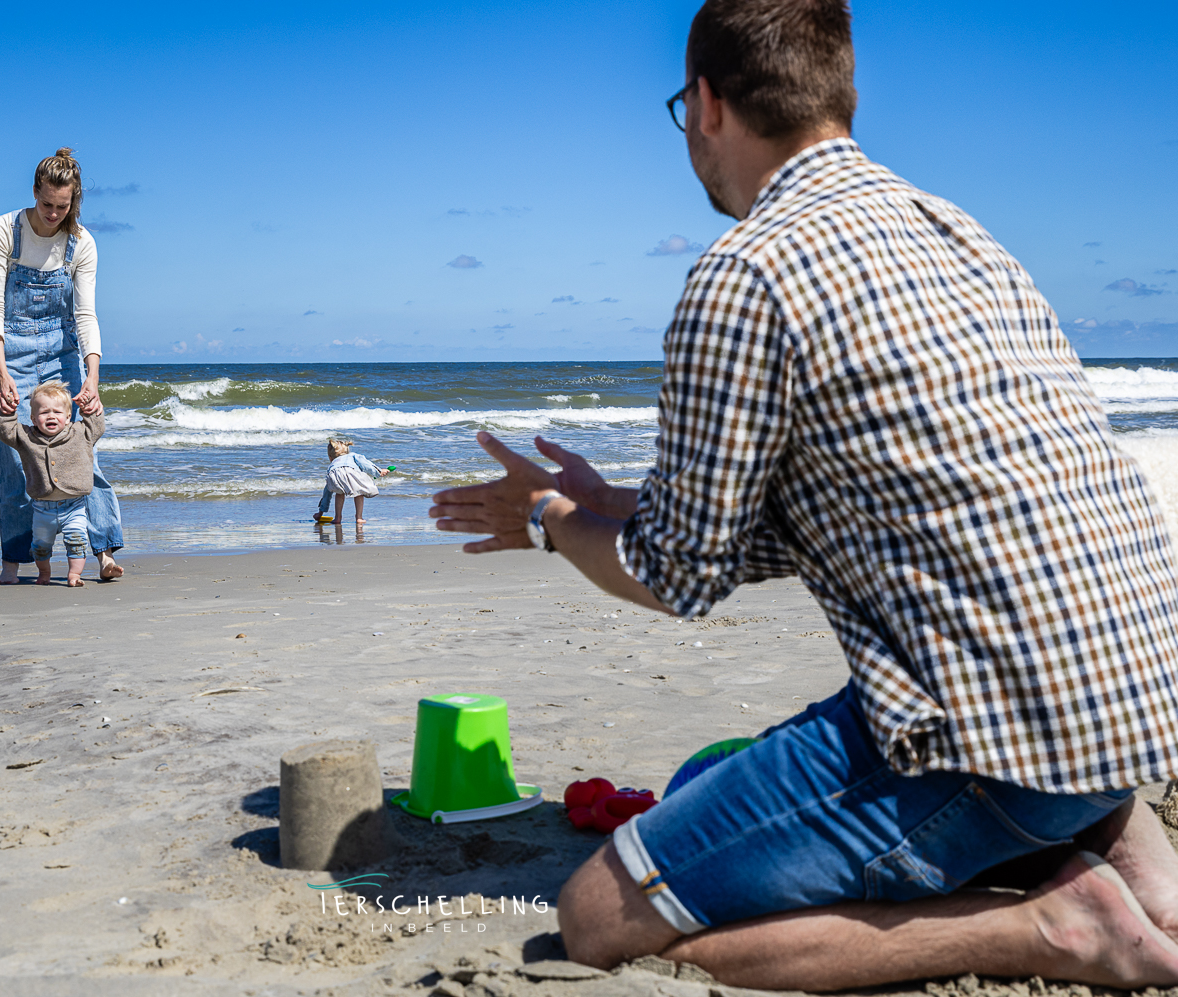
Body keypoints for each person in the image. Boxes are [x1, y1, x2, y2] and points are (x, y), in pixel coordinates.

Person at [427, 0, 1178, 989]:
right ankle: (1126, 856)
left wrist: (548, 520)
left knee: (596, 917)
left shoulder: (748, 270)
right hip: (1133, 707)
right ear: (838, 93)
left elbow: (675, 580)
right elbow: (852, 509)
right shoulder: (954, 230)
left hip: (992, 741)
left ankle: (1053, 926)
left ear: (705, 103)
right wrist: (608, 502)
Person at [0, 148, 124, 585]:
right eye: (47, 205)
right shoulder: (4, 230)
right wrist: (3, 373)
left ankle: (103, 554)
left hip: (63, 354)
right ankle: (15, 562)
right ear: (35, 193)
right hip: (12, 353)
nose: (53, 214)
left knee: (82, 455)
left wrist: (93, 376)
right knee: (14, 460)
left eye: (63, 207)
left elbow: (85, 315)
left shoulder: (82, 242)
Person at [0, 381, 104, 588]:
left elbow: (97, 426)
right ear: (34, 418)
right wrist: (7, 413)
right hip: (42, 508)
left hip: (74, 505)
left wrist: (88, 407)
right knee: (41, 547)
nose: (51, 416)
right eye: (44, 412)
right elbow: (6, 432)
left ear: (68, 416)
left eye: (57, 412)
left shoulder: (80, 433)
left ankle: (74, 575)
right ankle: (44, 573)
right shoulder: (27, 436)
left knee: (77, 540)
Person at [313, 439, 390, 525]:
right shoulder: (353, 455)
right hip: (351, 471)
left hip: (334, 475)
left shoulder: (332, 465)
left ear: (330, 457)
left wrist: (320, 512)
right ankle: (359, 518)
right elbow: (366, 465)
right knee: (359, 491)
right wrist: (378, 472)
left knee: (339, 492)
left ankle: (337, 518)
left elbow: (327, 492)